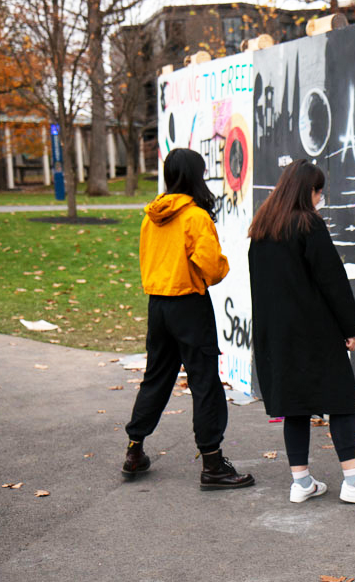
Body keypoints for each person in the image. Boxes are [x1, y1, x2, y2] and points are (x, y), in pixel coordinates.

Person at [248, 159, 355, 505]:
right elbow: (333, 280)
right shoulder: (307, 224)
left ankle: (301, 483)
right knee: (341, 400)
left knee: (294, 406)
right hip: (313, 331)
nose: (319, 198)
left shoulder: (262, 228)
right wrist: (349, 327)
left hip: (277, 334)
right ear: (308, 191)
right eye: (318, 192)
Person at [122, 148, 254, 491]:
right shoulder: (195, 217)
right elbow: (212, 268)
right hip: (189, 306)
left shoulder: (151, 217)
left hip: (158, 305)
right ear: (195, 176)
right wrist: (222, 266)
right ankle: (212, 464)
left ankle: (134, 450)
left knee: (156, 377)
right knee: (205, 382)